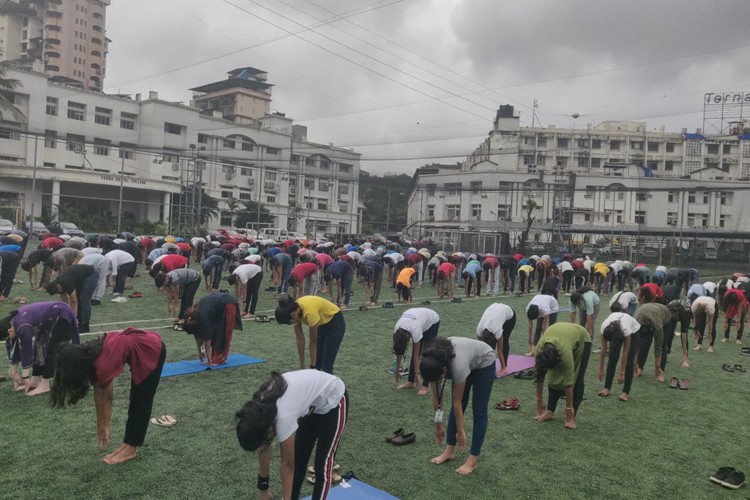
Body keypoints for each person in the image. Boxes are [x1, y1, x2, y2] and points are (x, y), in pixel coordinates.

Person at [51, 328, 166, 465]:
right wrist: (99, 423)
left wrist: (106, 426)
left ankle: (131, 448)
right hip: (142, 347)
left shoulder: (102, 363)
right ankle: (126, 445)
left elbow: (107, 398)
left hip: (152, 349)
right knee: (136, 399)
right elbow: (98, 391)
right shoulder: (89, 357)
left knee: (141, 400)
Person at [235, 370, 348, 500]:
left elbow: (287, 464)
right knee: (300, 458)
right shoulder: (257, 412)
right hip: (309, 404)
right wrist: (263, 489)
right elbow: (263, 449)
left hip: (333, 399)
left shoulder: (284, 415)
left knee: (322, 464)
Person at [420, 336, 495, 476]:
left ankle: (473, 459)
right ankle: (449, 451)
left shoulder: (457, 367)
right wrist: (438, 425)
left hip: (483, 362)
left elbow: (457, 402)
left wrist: (461, 431)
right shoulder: (430, 362)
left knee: (479, 410)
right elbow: (437, 397)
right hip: (464, 359)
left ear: (444, 370)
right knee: (457, 408)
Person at [0, 301, 80, 396]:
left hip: (62, 314)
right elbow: (12, 346)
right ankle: (35, 380)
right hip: (48, 319)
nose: (9, 340)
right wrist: (14, 372)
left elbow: (26, 350)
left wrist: (25, 378)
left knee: (53, 348)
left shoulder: (22, 326)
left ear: (9, 331)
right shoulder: (12, 323)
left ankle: (45, 384)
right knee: (39, 346)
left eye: (7, 338)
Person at [533, 322, 592, 430]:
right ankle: (550, 411)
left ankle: (571, 418)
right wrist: (539, 401)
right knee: (554, 375)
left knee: (577, 376)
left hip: (582, 339)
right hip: (561, 335)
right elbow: (539, 376)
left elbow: (569, 382)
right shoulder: (539, 350)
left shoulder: (565, 353)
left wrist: (569, 409)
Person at [275, 294, 345, 374]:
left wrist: (312, 367)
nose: (290, 324)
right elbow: (300, 340)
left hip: (335, 322)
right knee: (318, 362)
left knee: (326, 366)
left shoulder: (310, 313)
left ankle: (332, 385)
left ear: (293, 315)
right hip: (322, 324)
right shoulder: (294, 310)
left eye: (289, 323)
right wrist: (302, 367)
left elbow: (313, 342)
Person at [181, 293, 242, 365]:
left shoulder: (202, 316)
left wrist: (209, 360)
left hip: (229, 303)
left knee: (226, 333)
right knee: (216, 332)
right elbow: (197, 335)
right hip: (220, 306)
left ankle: (220, 357)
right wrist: (200, 352)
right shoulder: (196, 316)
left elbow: (208, 338)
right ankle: (214, 356)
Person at [392, 308, 440, 394]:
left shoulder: (415, 328)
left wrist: (418, 374)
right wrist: (397, 370)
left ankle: (425, 385)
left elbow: (416, 354)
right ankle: (411, 382)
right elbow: (399, 351)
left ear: (407, 336)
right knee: (416, 353)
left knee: (426, 354)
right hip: (418, 319)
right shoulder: (397, 331)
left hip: (431, 322)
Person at [597, 313, 641, 401]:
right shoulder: (604, 327)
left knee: (629, 361)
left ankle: (625, 392)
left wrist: (622, 373)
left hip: (634, 330)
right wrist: (600, 367)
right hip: (616, 328)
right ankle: (607, 388)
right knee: (612, 357)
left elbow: (625, 353)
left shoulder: (626, 330)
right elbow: (603, 349)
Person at [45, 264, 98, 333]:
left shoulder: (66, 283)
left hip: (90, 274)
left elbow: (73, 302)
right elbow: (65, 303)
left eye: (58, 292)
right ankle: (80, 324)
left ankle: (85, 326)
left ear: (58, 286)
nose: (59, 293)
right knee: (79, 298)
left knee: (84, 299)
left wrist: (73, 318)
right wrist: (65, 317)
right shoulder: (58, 284)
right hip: (80, 277)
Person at [476, 303, 516, 376]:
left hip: (509, 315)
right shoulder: (479, 331)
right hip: (495, 310)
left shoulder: (497, 332)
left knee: (505, 340)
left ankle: (504, 367)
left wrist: (503, 369)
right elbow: (479, 349)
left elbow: (500, 351)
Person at [634, 302, 672, 382]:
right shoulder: (636, 324)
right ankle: (639, 368)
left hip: (664, 313)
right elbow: (636, 345)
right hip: (647, 310)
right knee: (643, 343)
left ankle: (660, 370)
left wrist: (657, 367)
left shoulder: (657, 324)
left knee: (662, 345)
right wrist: (635, 364)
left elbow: (658, 347)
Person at [569, 287, 601, 351]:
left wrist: (588, 329)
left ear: (581, 298)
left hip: (595, 304)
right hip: (583, 308)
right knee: (581, 323)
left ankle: (589, 343)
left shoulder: (588, 299)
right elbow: (573, 313)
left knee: (591, 324)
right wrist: (572, 326)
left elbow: (589, 316)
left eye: (579, 303)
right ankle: (581, 341)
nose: (578, 305)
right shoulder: (571, 300)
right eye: (577, 304)